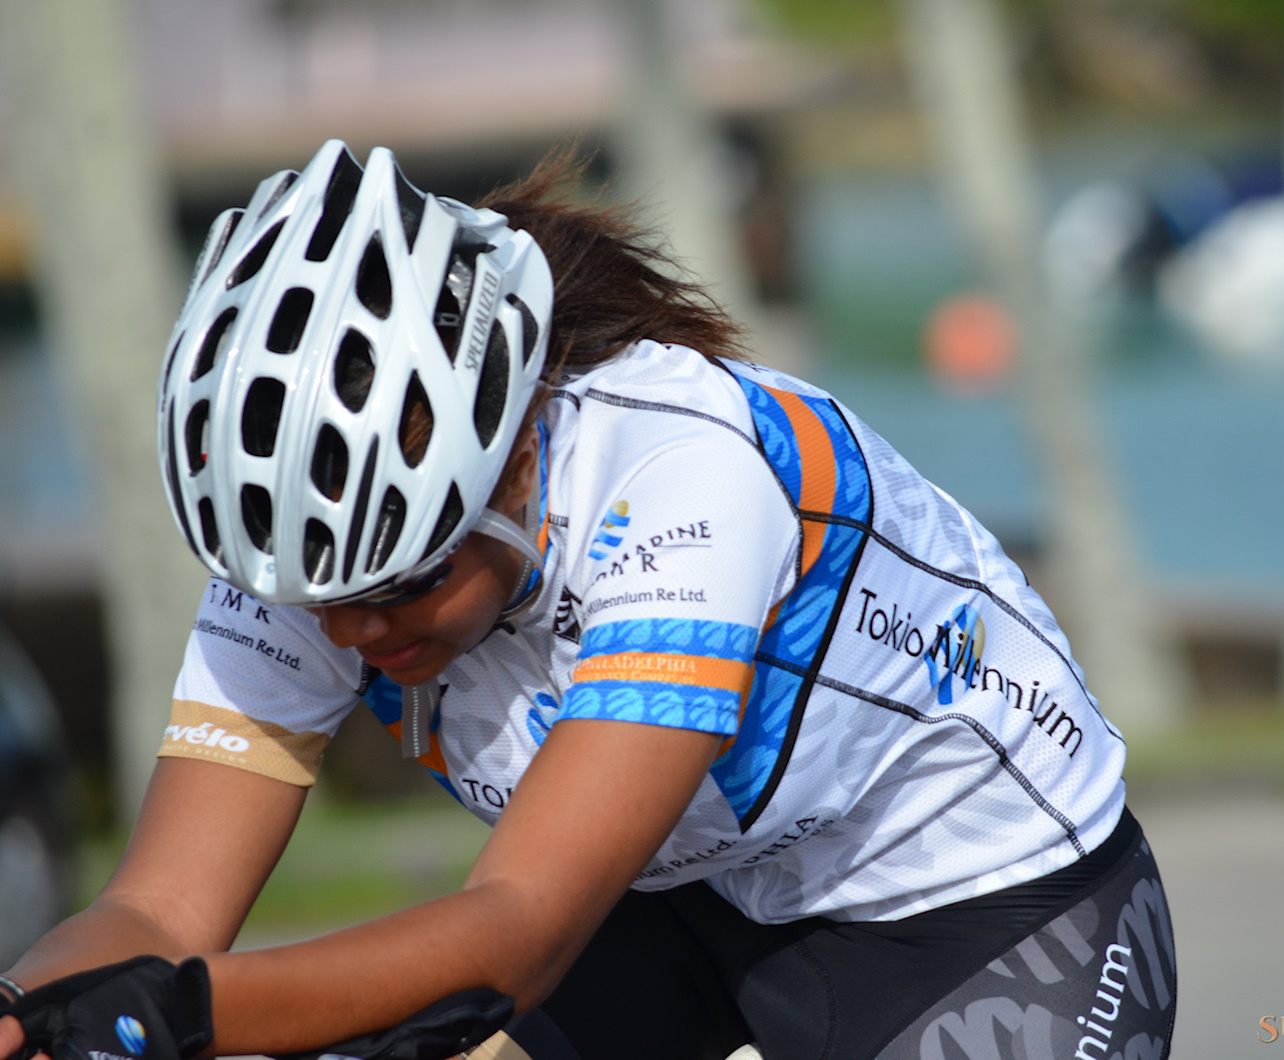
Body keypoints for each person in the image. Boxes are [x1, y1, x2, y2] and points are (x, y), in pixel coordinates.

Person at [0, 140, 1176, 1060]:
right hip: (673, 892)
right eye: (314, 598)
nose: (354, 630)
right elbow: (156, 914)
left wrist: (180, 1017)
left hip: (972, 905)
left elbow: (516, 930)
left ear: (514, 459)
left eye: (406, 579)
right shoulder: (316, 538)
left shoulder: (687, 476)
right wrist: (22, 1010)